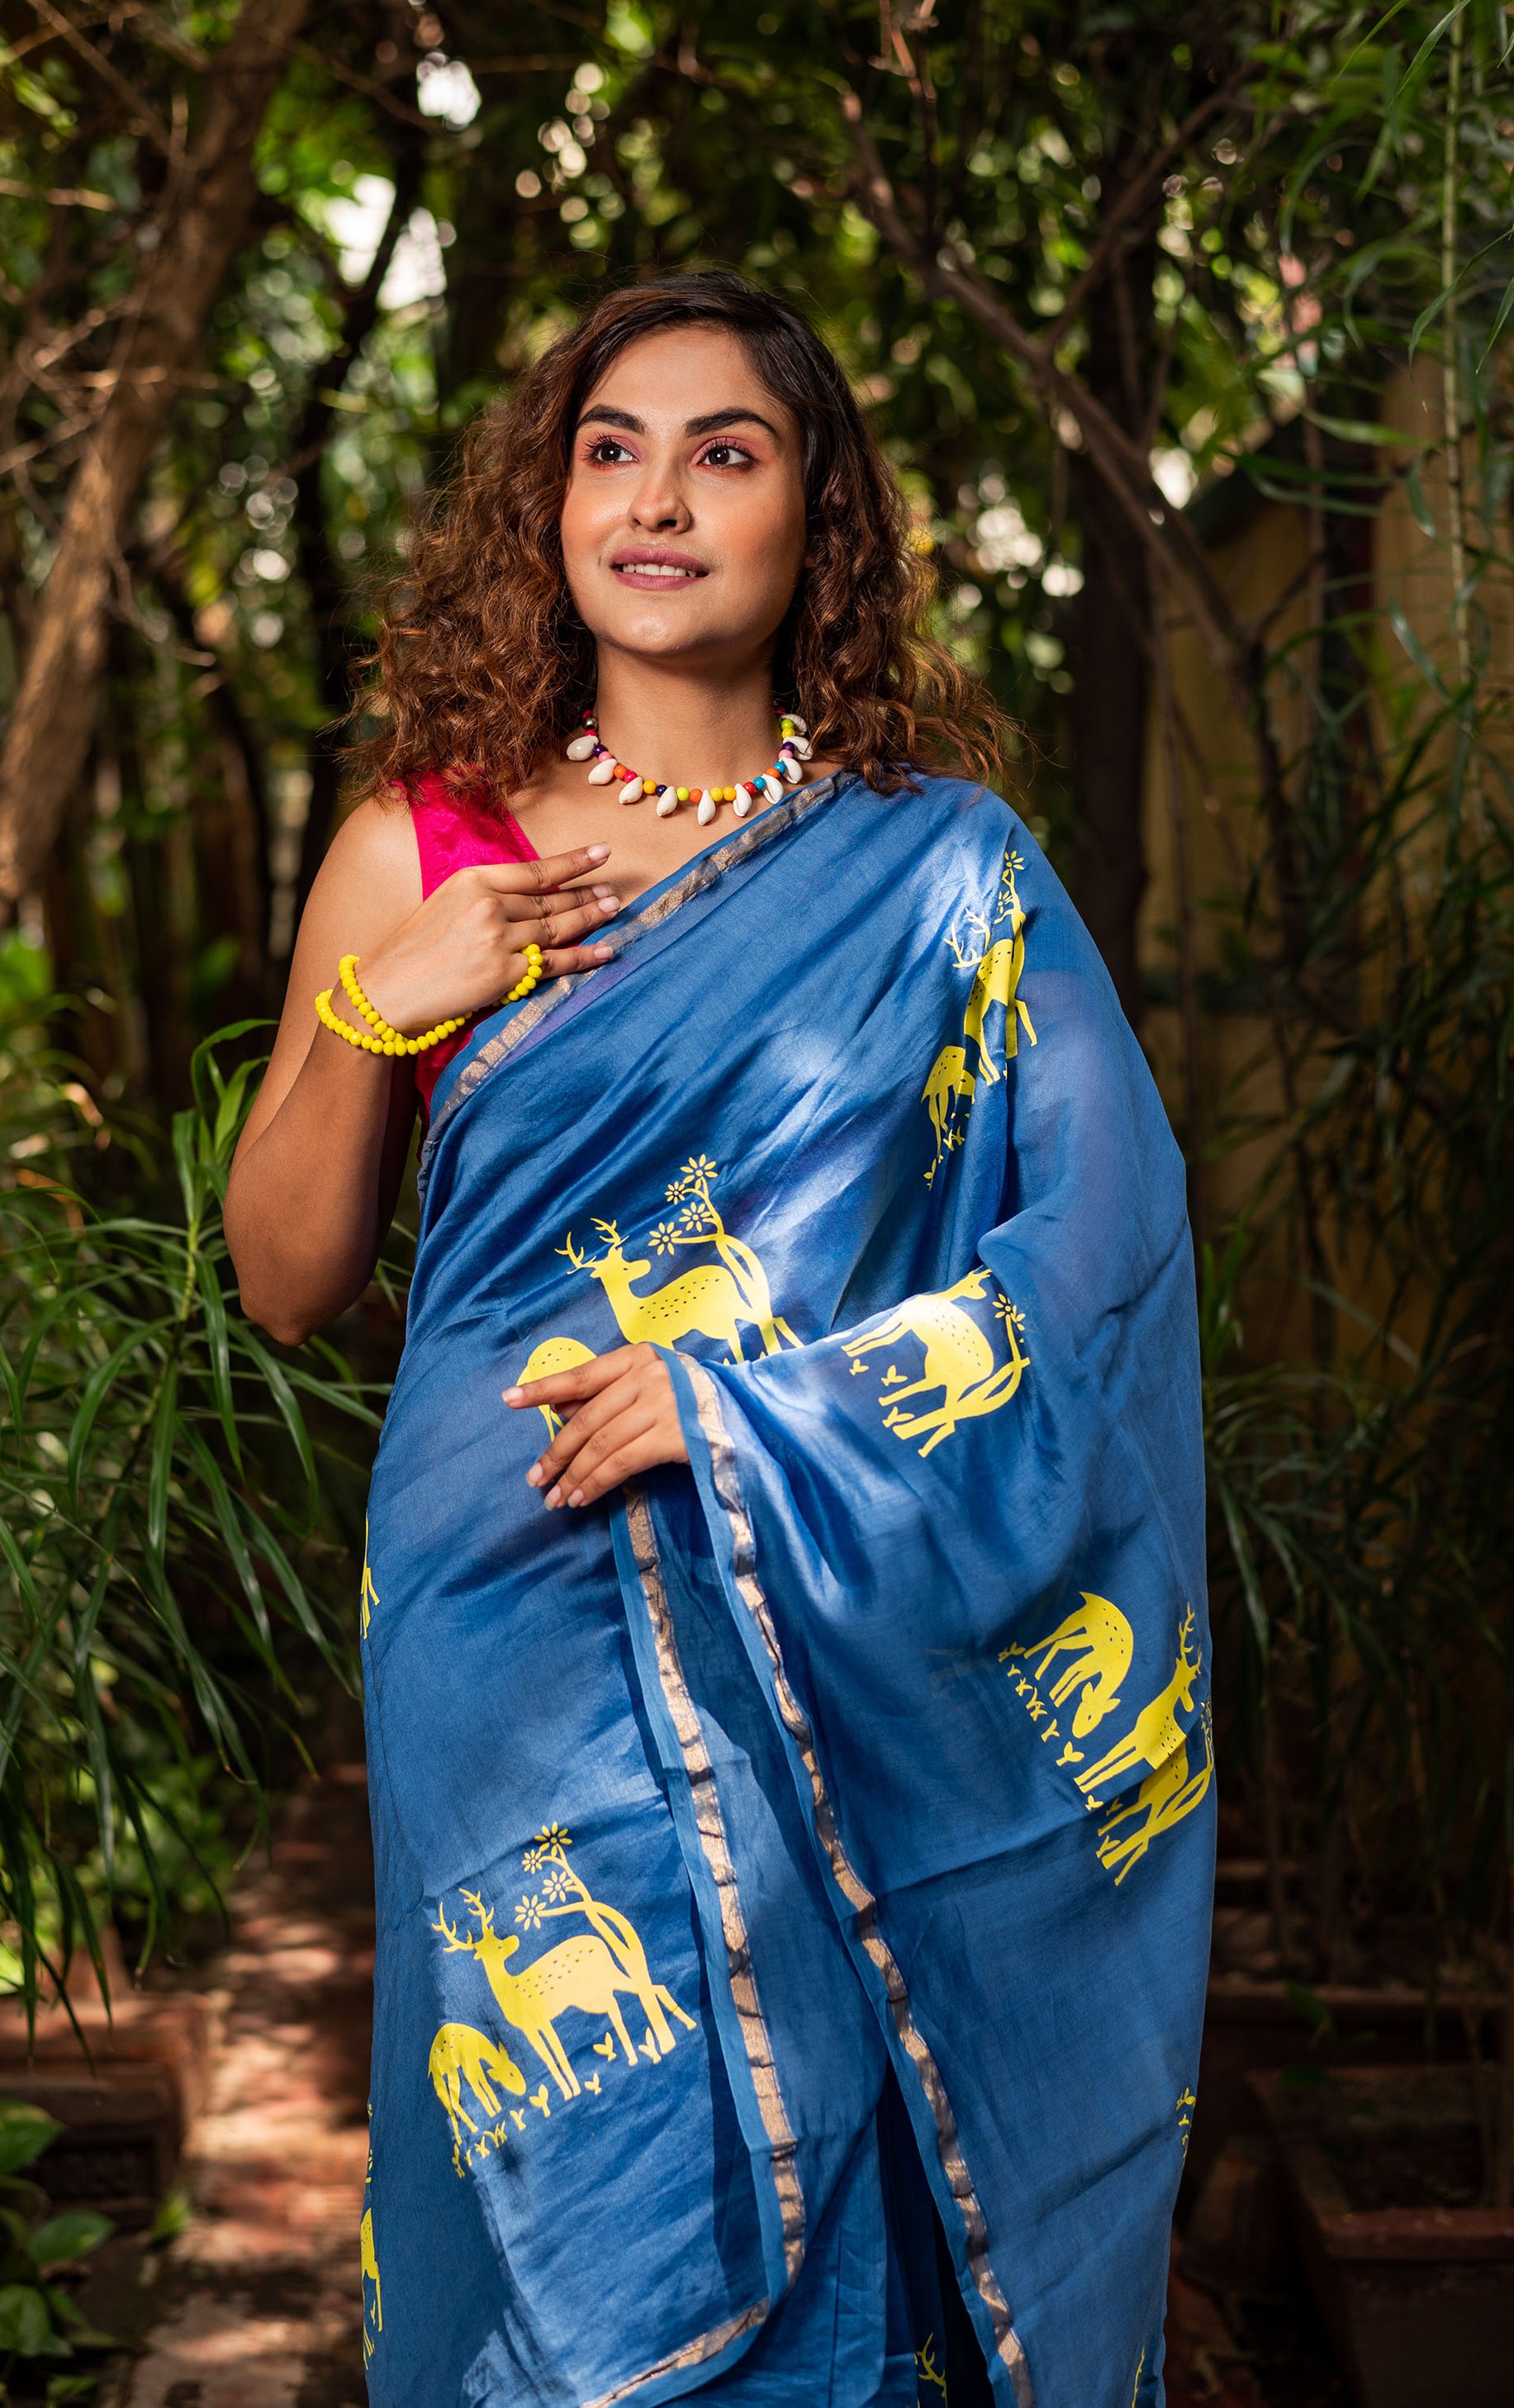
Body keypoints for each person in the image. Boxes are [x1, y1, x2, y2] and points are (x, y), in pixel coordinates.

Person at [226, 271, 1213, 2408]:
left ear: (813, 520)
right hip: (508, 1642)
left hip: (834, 1629)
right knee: (557, 2196)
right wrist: (378, 1004)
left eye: (723, 453)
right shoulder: (427, 848)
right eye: (611, 450)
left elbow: (1100, 1248)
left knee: (848, 2191)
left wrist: (759, 1412)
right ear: (551, 504)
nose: (655, 499)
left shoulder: (943, 871)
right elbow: (286, 1281)